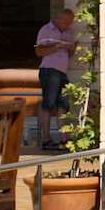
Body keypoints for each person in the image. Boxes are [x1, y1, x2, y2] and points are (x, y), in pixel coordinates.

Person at [34, 8, 78, 150]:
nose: (67, 25)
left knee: (63, 104)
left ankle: (64, 138)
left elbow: (69, 55)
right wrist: (57, 46)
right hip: (49, 70)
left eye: (70, 23)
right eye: (65, 22)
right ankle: (46, 139)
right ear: (58, 19)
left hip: (62, 71)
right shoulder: (46, 30)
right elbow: (39, 52)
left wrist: (72, 48)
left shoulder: (69, 32)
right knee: (48, 104)